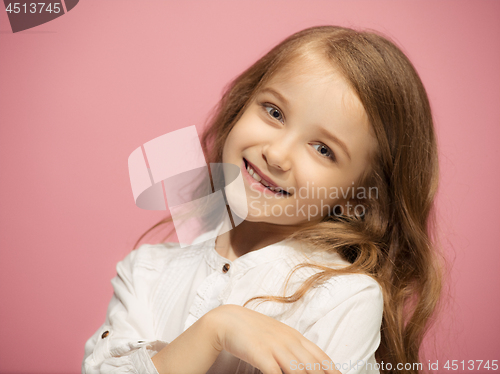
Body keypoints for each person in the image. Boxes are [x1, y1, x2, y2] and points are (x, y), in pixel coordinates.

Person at [82, 25, 443, 374]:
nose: (277, 155)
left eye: (323, 149)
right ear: (242, 105)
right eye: (274, 112)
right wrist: (215, 330)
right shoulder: (146, 271)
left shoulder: (344, 299)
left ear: (356, 196)